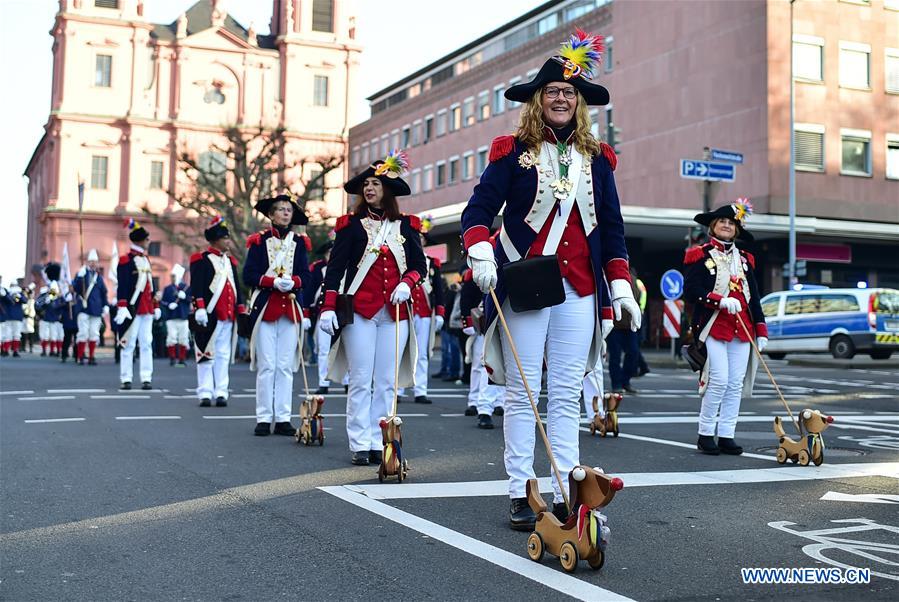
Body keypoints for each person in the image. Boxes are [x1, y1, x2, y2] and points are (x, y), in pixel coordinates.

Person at [460, 29, 640, 530]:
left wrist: (619, 286)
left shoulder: (599, 160)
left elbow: (613, 228)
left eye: (569, 92)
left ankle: (563, 484)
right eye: (552, 91)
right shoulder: (511, 151)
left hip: (581, 286)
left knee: (564, 391)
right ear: (538, 100)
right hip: (526, 282)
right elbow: (478, 210)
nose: (561, 98)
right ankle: (521, 488)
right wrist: (480, 250)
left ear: (579, 103)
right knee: (522, 391)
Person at [318, 150, 427, 466]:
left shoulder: (405, 227)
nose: (369, 189)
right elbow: (335, 270)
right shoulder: (350, 227)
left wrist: (408, 283)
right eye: (366, 184)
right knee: (361, 378)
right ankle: (359, 442)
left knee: (387, 382)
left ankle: (382, 442)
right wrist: (327, 307)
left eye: (376, 184)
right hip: (360, 311)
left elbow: (419, 265)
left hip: (394, 313)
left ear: (387, 190)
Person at [683, 199, 768, 456]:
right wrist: (719, 301)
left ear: (737, 229)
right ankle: (706, 433)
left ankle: (727, 435)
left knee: (735, 383)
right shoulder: (701, 254)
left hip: (742, 328)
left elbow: (754, 295)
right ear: (713, 226)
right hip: (713, 326)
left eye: (731, 223)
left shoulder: (745, 260)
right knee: (718, 380)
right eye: (722, 221)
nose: (727, 225)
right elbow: (691, 290)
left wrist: (761, 330)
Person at [243, 194, 312, 437]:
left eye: (288, 210)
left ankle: (283, 417)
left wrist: (292, 282)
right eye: (280, 210)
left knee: (284, 366)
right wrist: (273, 282)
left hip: (291, 308)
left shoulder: (301, 243)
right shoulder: (259, 241)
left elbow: (306, 275)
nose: (285, 213)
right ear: (271, 215)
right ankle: (263, 417)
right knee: (267, 366)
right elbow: (249, 275)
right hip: (266, 307)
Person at [190, 216, 244, 407]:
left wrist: (241, 309)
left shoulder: (230, 262)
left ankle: (221, 391)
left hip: (227, 315)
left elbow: (235, 287)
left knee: (223, 355)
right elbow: (196, 286)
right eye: (225, 238)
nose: (228, 241)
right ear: (215, 240)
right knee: (205, 353)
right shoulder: (202, 260)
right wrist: (200, 308)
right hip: (210, 314)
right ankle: (205, 392)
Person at [114, 220, 161, 390]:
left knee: (147, 343)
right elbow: (123, 284)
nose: (148, 242)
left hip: (146, 308)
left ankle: (146, 377)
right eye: (147, 239)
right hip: (133, 307)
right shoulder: (126, 260)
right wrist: (122, 305)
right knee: (129, 343)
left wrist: (156, 305)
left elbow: (150, 285)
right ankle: (126, 378)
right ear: (140, 241)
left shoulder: (145, 260)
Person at [405, 218, 446, 404]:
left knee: (421, 353)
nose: (419, 240)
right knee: (402, 351)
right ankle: (397, 390)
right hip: (405, 311)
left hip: (424, 313)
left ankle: (420, 390)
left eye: (421, 237)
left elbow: (438, 289)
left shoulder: (432, 263)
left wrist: (439, 312)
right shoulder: (403, 260)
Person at [460, 265, 505, 427]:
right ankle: (481, 406)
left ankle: (500, 401)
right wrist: (468, 320)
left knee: (505, 365)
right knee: (483, 365)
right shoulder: (479, 267)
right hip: (486, 321)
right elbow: (467, 296)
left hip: (507, 318)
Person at [304, 240, 334, 394]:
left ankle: (348, 381)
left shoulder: (349, 266)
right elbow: (309, 292)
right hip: (323, 312)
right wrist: (306, 314)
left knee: (347, 350)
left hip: (344, 312)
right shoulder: (317, 268)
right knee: (323, 349)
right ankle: (324, 382)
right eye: (329, 253)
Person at [72, 249, 110, 365]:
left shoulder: (99, 278)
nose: (93, 264)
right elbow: (76, 289)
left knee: (94, 333)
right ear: (88, 263)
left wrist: (105, 305)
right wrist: (79, 277)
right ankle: (80, 357)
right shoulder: (82, 275)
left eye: (95, 262)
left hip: (96, 309)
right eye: (91, 261)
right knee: (83, 333)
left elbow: (103, 293)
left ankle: (91, 357)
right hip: (84, 308)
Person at [606, 276, 641, 394]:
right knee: (615, 356)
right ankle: (617, 384)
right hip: (614, 325)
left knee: (633, 353)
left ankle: (625, 381)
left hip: (629, 325)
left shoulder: (633, 278)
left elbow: (638, 297)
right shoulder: (610, 272)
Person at [161, 264, 191, 366]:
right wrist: (169, 305)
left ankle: (182, 358)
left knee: (183, 338)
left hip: (183, 317)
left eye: (174, 276)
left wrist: (185, 297)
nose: (172, 278)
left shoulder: (186, 288)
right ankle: (172, 358)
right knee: (171, 338)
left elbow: (191, 300)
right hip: (171, 317)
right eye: (171, 276)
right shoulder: (168, 288)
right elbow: (163, 301)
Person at [37, 263, 66, 357]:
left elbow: (62, 304)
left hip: (56, 315)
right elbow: (38, 304)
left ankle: (55, 350)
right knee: (45, 334)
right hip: (46, 315)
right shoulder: (45, 291)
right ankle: (46, 350)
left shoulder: (60, 291)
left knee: (56, 334)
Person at [0, 283, 26, 357]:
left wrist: (18, 296)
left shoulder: (19, 294)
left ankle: (15, 351)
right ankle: (6, 350)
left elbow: (25, 301)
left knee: (17, 334)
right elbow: (8, 300)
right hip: (9, 317)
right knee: (7, 334)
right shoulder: (7, 293)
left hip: (16, 317)